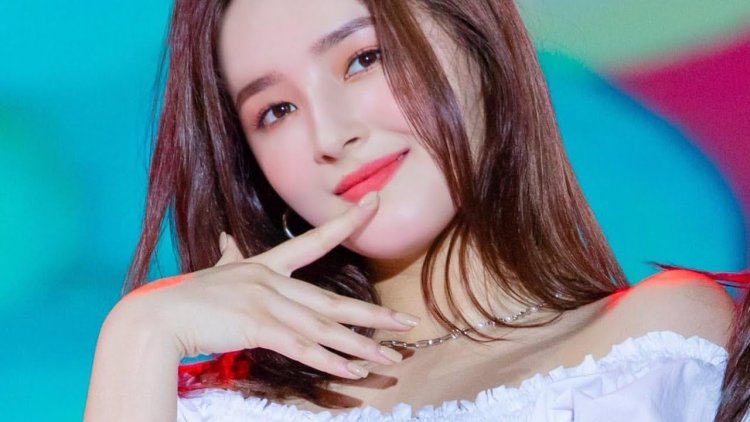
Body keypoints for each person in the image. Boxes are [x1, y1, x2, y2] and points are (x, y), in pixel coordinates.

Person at [83, 0, 748, 420]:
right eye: (276, 110)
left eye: (363, 58)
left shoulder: (656, 343)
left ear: (476, 43)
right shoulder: (206, 405)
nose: (329, 134)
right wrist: (139, 331)